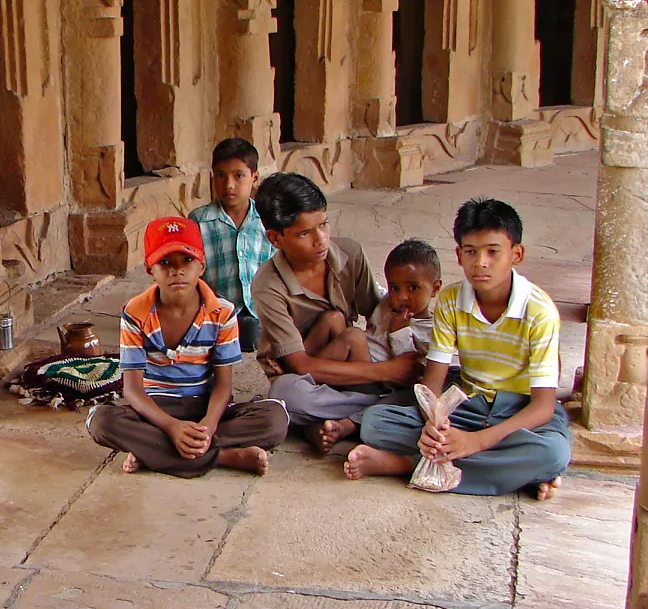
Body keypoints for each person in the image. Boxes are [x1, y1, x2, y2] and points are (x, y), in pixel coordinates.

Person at [347, 198, 571, 498]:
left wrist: (476, 441)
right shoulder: (451, 300)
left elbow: (542, 407)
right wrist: (434, 424)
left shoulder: (539, 311)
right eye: (471, 252)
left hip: (520, 409)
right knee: (376, 424)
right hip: (469, 403)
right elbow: (433, 382)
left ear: (516, 254)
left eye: (493, 252)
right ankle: (515, 471)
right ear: (459, 255)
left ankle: (406, 464)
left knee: (553, 452)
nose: (480, 262)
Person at [86, 216, 287, 477]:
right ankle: (225, 456)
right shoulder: (135, 312)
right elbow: (133, 390)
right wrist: (171, 427)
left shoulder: (222, 312)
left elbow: (223, 386)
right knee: (101, 421)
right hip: (157, 409)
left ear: (201, 265)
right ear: (149, 270)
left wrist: (209, 427)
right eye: (165, 262)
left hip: (204, 405)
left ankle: (154, 452)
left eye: (187, 260)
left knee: (275, 419)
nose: (177, 271)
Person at [253, 173, 420, 453]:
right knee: (285, 395)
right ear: (276, 238)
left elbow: (377, 313)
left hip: (353, 367)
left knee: (345, 327)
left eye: (323, 224)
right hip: (307, 378)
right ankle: (371, 413)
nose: (321, 240)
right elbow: (300, 365)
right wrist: (386, 371)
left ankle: (325, 422)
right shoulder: (267, 285)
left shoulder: (350, 253)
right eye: (304, 233)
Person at [189, 138, 275, 352]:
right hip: (215, 309)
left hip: (260, 309)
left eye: (239, 176)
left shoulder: (267, 219)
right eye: (220, 175)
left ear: (255, 178)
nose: (228, 184)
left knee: (254, 333)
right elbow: (191, 272)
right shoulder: (200, 220)